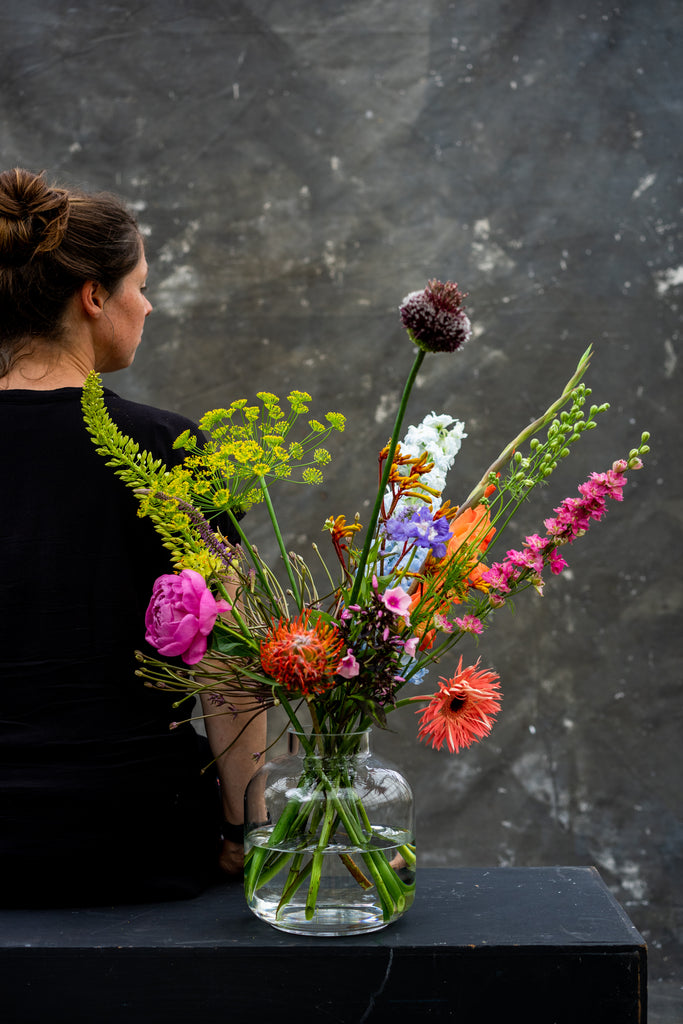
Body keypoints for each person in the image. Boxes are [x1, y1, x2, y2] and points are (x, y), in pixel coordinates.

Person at [0, 167, 263, 906]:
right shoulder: (165, 447)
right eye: (139, 284)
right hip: (138, 843)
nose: (146, 305)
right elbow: (235, 669)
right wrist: (248, 831)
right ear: (93, 297)